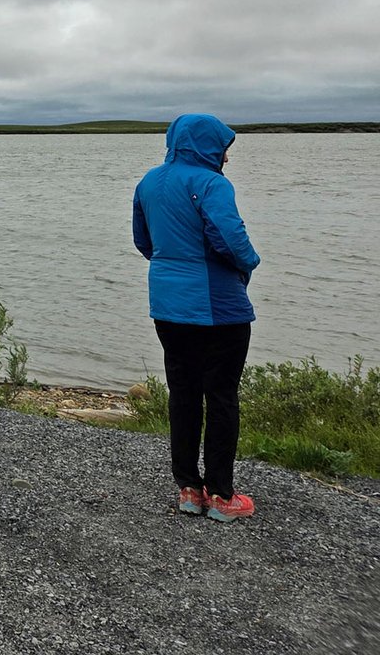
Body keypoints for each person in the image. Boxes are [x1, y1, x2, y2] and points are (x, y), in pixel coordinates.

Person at [133, 113, 261, 523]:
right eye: (223, 147)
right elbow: (229, 238)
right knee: (221, 395)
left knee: (183, 392)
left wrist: (174, 269)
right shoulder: (211, 183)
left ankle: (189, 489)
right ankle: (222, 495)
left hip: (168, 305)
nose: (226, 156)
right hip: (218, 307)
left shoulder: (149, 181)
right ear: (209, 146)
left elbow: (143, 240)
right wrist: (249, 264)